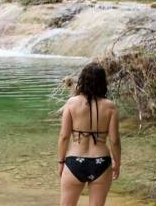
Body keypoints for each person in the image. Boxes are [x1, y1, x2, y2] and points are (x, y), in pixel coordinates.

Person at [58, 62, 121, 206]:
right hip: (101, 163)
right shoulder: (110, 106)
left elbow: (64, 136)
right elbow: (114, 140)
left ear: (82, 80)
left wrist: (61, 162)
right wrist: (117, 162)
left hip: (74, 161)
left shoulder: (71, 103)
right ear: (102, 82)